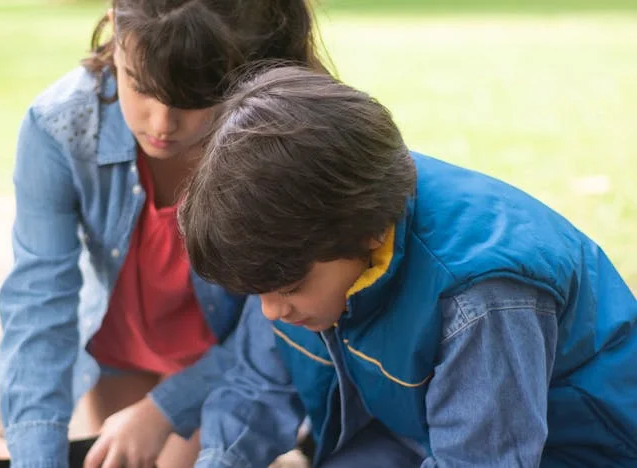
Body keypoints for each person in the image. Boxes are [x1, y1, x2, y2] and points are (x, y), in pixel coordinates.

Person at [178, 66, 637, 467]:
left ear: (370, 234)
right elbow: (258, 384)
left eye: (290, 288)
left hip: (575, 451)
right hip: (414, 434)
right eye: (259, 291)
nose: (270, 312)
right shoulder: (300, 232)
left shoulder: (481, 298)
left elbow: (481, 459)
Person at [0, 2, 327, 466]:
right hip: (120, 350)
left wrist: (164, 410)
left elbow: (274, 325)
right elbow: (37, 302)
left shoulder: (283, 142)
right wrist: (33, 453)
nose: (162, 123)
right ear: (114, 26)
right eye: (142, 86)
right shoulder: (58, 127)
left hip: (224, 356)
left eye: (195, 96)